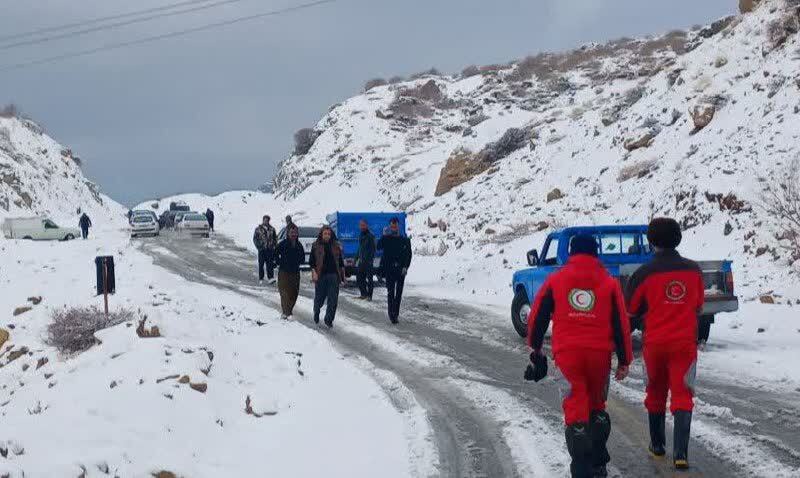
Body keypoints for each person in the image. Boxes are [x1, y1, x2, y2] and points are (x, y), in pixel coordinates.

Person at [525, 234, 632, 478]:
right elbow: (621, 324)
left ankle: (581, 470)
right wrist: (624, 360)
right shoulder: (609, 283)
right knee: (597, 406)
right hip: (599, 356)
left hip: (567, 356)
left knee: (576, 409)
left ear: (571, 253)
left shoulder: (556, 279)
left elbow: (538, 315)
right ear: (596, 253)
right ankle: (598, 464)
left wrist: (536, 346)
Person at [625, 218, 704, 470]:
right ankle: (680, 454)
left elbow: (632, 308)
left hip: (655, 343)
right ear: (678, 238)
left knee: (655, 392)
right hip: (684, 343)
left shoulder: (643, 273)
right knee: (683, 394)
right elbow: (699, 305)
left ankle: (657, 446)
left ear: (651, 241)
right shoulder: (694, 271)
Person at [377, 217, 412, 324]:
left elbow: (408, 255)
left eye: (395, 225)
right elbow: (378, 247)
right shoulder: (386, 238)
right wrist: (383, 236)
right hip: (389, 270)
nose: (394, 227)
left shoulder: (404, 239)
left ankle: (395, 313)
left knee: (399, 293)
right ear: (390, 226)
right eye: (392, 225)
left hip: (401, 270)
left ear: (398, 225)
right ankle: (391, 314)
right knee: (390, 292)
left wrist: (406, 267)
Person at [308, 225, 345, 327]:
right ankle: (316, 311)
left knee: (333, 300)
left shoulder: (336, 245)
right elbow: (311, 262)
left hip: (333, 276)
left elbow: (340, 262)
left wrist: (342, 276)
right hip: (321, 276)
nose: (327, 236)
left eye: (329, 234)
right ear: (321, 234)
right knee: (319, 298)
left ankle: (329, 319)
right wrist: (314, 272)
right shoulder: (316, 245)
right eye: (325, 234)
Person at [275, 224, 305, 319]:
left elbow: (302, 258)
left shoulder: (299, 245)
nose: (294, 234)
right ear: (288, 233)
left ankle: (289, 311)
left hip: (295, 272)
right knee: (284, 293)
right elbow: (275, 253)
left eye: (295, 232)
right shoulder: (283, 244)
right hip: (284, 272)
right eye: (292, 232)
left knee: (294, 293)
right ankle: (286, 313)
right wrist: (279, 262)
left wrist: (298, 261)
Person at [252, 215, 278, 284]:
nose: (266, 221)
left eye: (267, 220)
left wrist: (274, 246)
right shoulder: (258, 229)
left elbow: (275, 238)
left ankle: (270, 278)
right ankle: (261, 278)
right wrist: (259, 247)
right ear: (263, 220)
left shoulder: (272, 229)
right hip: (262, 249)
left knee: (270, 264)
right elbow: (255, 239)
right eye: (265, 220)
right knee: (261, 264)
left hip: (270, 249)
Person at [355, 219, 376, 301]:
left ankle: (369, 296)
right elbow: (359, 248)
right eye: (361, 225)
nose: (362, 227)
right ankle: (363, 294)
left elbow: (373, 249)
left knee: (370, 279)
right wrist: (355, 258)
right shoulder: (361, 235)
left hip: (368, 262)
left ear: (366, 225)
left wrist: (370, 259)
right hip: (361, 261)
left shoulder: (371, 236)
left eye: (363, 225)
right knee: (359, 278)